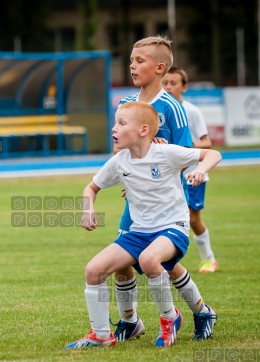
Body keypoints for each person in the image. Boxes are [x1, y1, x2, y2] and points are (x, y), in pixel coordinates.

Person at [65, 101, 222, 349]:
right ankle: (101, 335)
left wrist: (200, 170)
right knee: (93, 270)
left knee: (150, 260)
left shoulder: (165, 152)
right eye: (114, 122)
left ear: (143, 130)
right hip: (139, 232)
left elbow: (213, 153)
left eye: (121, 123)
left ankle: (170, 319)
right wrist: (88, 208)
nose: (114, 129)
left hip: (173, 227)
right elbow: (91, 187)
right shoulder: (119, 161)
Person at [111, 36, 217, 343]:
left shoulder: (172, 107)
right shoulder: (126, 104)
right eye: (131, 60)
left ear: (159, 68)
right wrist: (126, 177)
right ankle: (130, 321)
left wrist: (160, 153)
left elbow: (184, 154)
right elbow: (120, 149)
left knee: (162, 263)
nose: (132, 66)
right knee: (123, 261)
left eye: (139, 61)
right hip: (136, 201)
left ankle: (200, 310)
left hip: (165, 203)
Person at [163, 66, 218, 273]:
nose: (168, 87)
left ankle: (208, 259)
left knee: (193, 219)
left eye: (173, 83)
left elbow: (207, 142)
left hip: (192, 174)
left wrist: (184, 149)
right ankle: (167, 265)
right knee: (166, 219)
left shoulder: (191, 111)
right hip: (167, 175)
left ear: (184, 87)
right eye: (165, 83)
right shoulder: (158, 109)